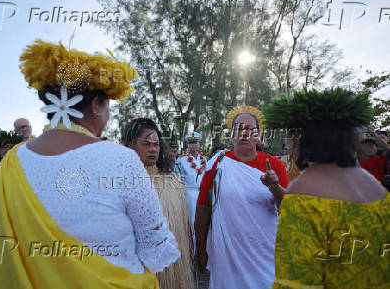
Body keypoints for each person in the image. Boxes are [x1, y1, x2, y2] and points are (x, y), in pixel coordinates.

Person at [0, 40, 179, 289]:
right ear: (96, 105)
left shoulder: (12, 161)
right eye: (108, 106)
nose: (108, 115)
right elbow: (154, 246)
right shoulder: (122, 160)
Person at [262, 87, 389, 288]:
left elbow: (296, 283)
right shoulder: (377, 188)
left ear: (300, 139)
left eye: (288, 135)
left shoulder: (303, 193)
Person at [195, 106, 289, 289]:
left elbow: (288, 207)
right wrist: (200, 249)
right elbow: (202, 208)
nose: (244, 134)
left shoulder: (275, 165)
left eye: (249, 130)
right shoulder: (217, 163)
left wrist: (275, 187)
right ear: (231, 134)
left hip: (264, 252)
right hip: (227, 255)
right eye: (238, 129)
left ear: (258, 135)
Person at [123, 118, 194, 289]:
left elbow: (185, 228)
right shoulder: (121, 182)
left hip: (172, 269)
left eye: (156, 144)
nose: (153, 149)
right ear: (131, 145)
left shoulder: (172, 180)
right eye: (146, 144)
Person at [174, 132, 207, 239]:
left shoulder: (205, 160)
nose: (193, 145)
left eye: (196, 142)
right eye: (191, 143)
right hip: (189, 194)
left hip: (203, 193)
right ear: (187, 145)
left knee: (204, 221)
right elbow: (178, 180)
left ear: (199, 144)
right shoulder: (181, 161)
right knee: (192, 222)